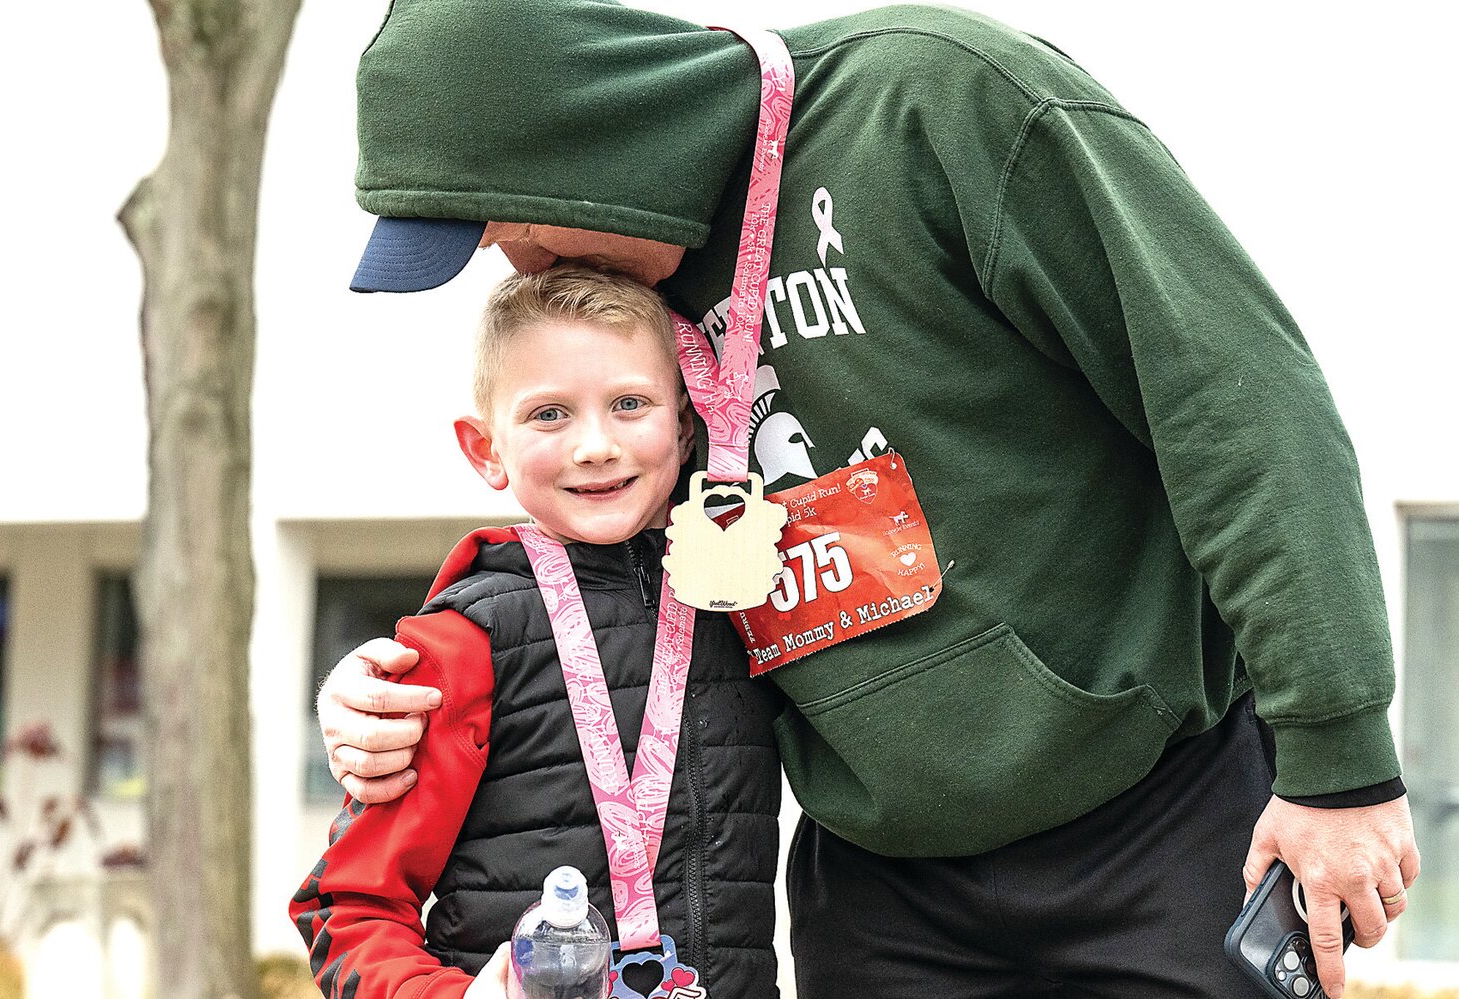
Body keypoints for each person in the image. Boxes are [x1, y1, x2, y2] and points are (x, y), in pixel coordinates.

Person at [316, 3, 1419, 997]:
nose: (513, 268)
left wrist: (1339, 761)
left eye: (501, 229)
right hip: (880, 892)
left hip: (1156, 824)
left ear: (576, 158)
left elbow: (1236, 400)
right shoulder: (631, 313)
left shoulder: (938, 102)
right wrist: (389, 690)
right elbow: (599, 579)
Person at [291, 266, 783, 998]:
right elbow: (349, 905)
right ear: (485, 448)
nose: (595, 445)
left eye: (629, 403)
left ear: (684, 426)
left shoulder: (744, 592)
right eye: (550, 414)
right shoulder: (462, 642)